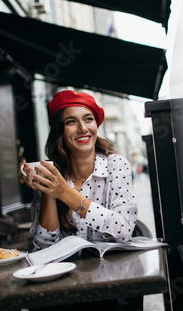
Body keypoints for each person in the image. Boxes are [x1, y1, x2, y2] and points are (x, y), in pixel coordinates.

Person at [18, 90, 138, 252]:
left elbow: (123, 231)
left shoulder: (116, 164)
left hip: (113, 270)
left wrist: (64, 192)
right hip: (69, 272)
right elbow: (45, 245)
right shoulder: (51, 172)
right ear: (59, 131)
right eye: (71, 122)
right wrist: (48, 188)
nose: (82, 128)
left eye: (88, 119)